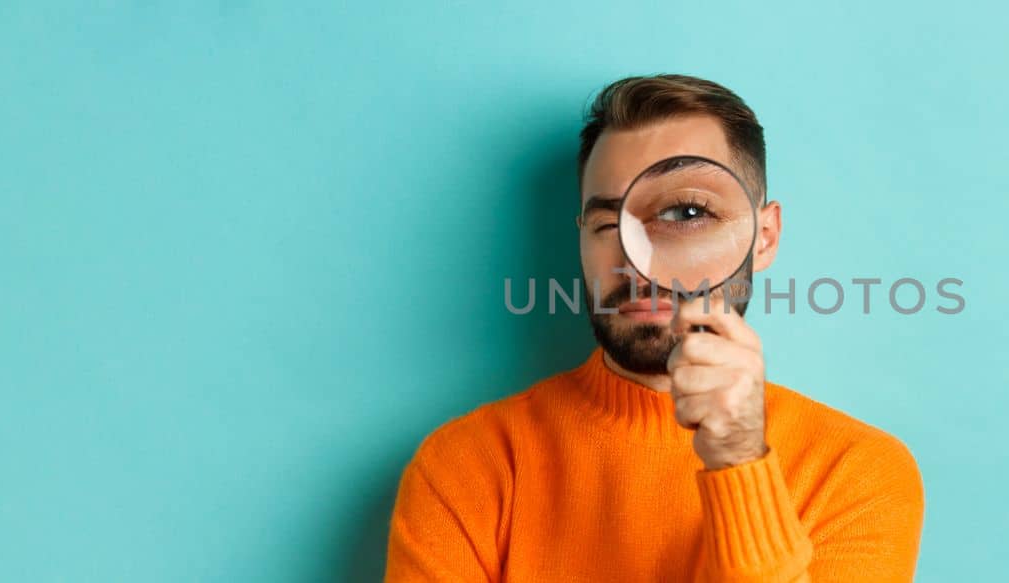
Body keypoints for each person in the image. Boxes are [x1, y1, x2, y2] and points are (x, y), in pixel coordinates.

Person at [384, 74, 924, 582]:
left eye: (687, 214)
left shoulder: (859, 473)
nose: (633, 260)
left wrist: (739, 462)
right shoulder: (468, 465)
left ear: (763, 238)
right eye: (605, 223)